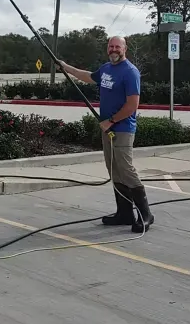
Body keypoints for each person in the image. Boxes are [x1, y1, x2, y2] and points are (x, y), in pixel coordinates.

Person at [59, 36, 154, 232]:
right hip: (108, 129)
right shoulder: (106, 69)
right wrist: (66, 67)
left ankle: (146, 215)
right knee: (115, 171)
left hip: (122, 129)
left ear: (124, 48)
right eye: (111, 46)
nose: (114, 49)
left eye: (117, 46)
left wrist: (111, 121)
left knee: (126, 170)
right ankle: (124, 213)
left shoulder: (130, 72)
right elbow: (87, 76)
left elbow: (132, 105)